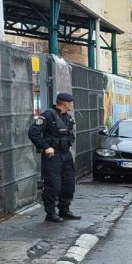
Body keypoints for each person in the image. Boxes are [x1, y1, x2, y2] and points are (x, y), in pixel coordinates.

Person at [28, 92, 80, 223]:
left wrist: (68, 144)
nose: (72, 104)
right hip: (53, 156)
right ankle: (50, 213)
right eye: (71, 102)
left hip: (65, 155)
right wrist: (46, 147)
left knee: (69, 184)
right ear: (65, 103)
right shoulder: (47, 115)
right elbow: (33, 133)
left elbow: (70, 135)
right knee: (53, 185)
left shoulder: (67, 117)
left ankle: (64, 210)